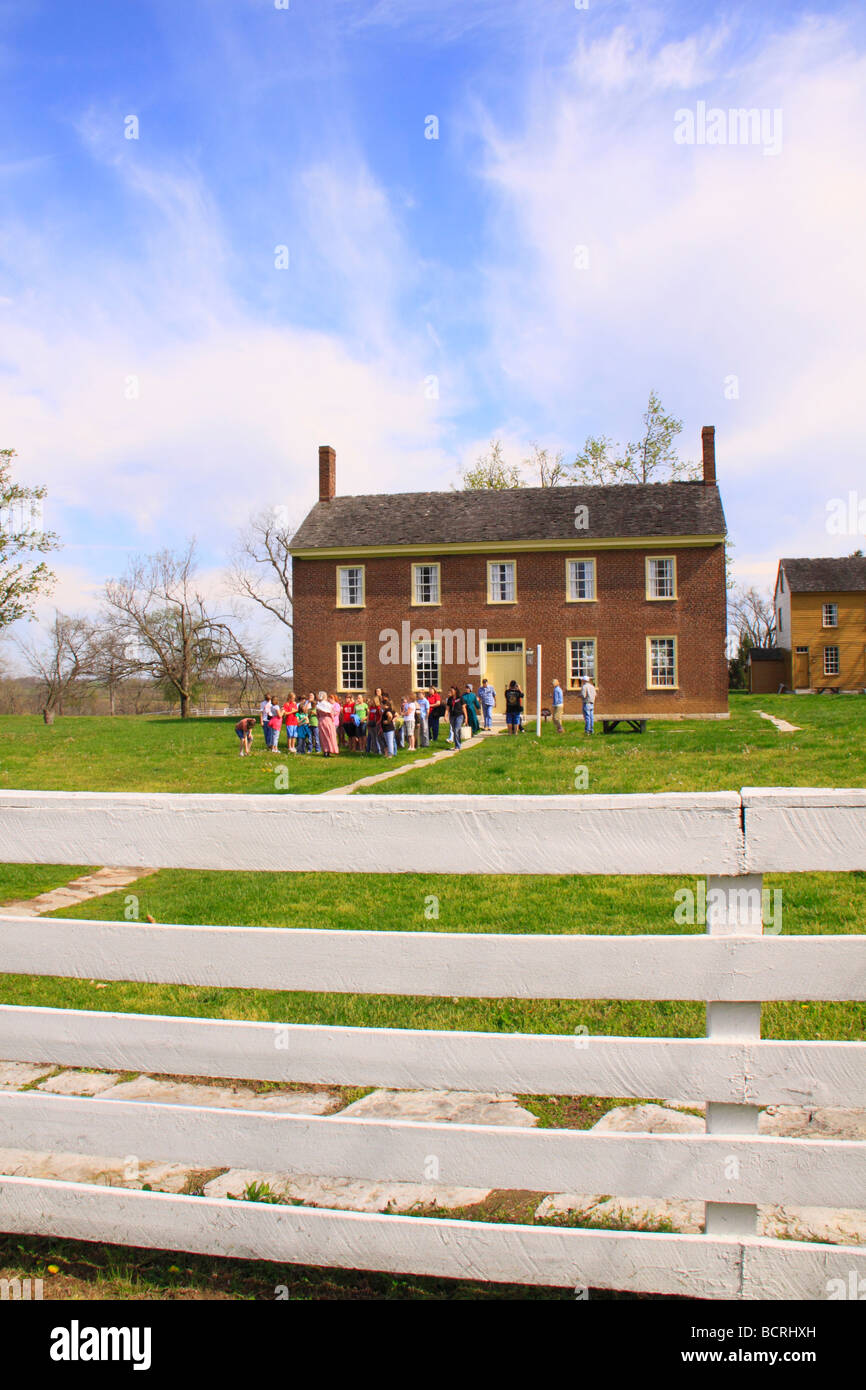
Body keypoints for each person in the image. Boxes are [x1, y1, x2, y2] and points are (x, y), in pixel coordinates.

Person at [316, 690, 339, 757]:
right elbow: (332, 714)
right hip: (328, 721)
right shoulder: (328, 705)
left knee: (323, 737)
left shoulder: (318, 705)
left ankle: (325, 751)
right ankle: (329, 750)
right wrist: (332, 719)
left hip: (321, 721)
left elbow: (317, 715)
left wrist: (320, 719)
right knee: (330, 736)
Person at [447, 686, 466, 750]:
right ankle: (456, 744)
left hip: (459, 715)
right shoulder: (450, 699)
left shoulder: (460, 698)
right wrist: (445, 715)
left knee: (456, 729)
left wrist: (466, 717)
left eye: (452, 691)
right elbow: (447, 708)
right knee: (454, 730)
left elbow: (464, 708)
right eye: (450, 691)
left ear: (455, 691)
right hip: (452, 716)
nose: (451, 692)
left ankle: (458, 746)